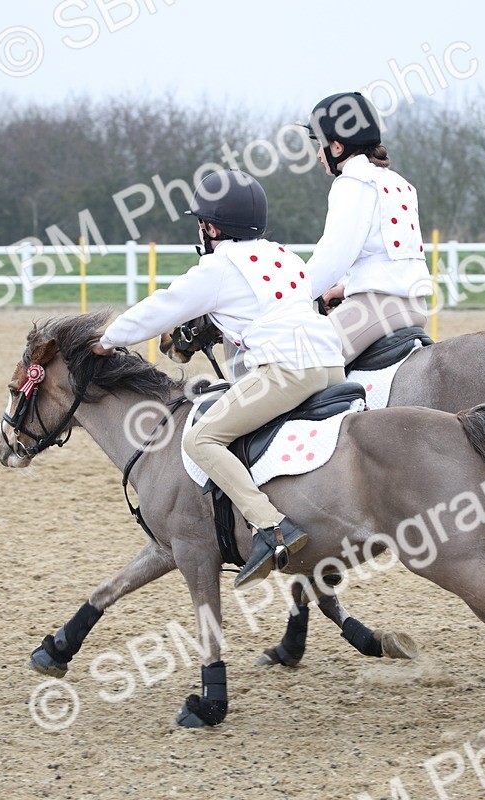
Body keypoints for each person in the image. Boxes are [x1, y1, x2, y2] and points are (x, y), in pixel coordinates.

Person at [93, 170, 346, 587]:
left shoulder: (218, 268)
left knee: (200, 439)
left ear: (210, 227)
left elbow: (164, 306)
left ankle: (269, 528)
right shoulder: (285, 255)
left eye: (200, 223)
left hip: (286, 372)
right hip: (331, 365)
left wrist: (108, 339)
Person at [302, 91, 433, 364]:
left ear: (337, 147)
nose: (318, 154)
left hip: (375, 310)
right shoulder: (399, 182)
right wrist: (347, 286)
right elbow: (389, 254)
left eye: (319, 145)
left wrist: (287, 296)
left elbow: (332, 259)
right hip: (416, 306)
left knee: (297, 364)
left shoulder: (352, 183)